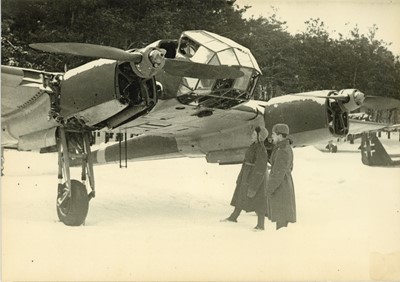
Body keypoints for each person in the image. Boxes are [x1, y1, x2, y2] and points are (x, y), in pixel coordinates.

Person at [222, 126, 269, 231]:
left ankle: (261, 225)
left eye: (254, 134)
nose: (251, 136)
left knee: (259, 201)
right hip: (247, 175)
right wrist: (240, 177)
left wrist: (254, 186)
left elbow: (260, 169)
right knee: (241, 195)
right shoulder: (253, 146)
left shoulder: (261, 149)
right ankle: (233, 217)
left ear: (259, 137)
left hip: (256, 177)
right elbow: (245, 162)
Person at [266, 124, 296, 230]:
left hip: (281, 188)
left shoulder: (281, 150)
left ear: (279, 136)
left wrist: (269, 189)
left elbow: (278, 173)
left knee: (281, 221)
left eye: (273, 134)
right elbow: (289, 167)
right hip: (285, 185)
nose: (271, 137)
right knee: (282, 220)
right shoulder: (286, 148)